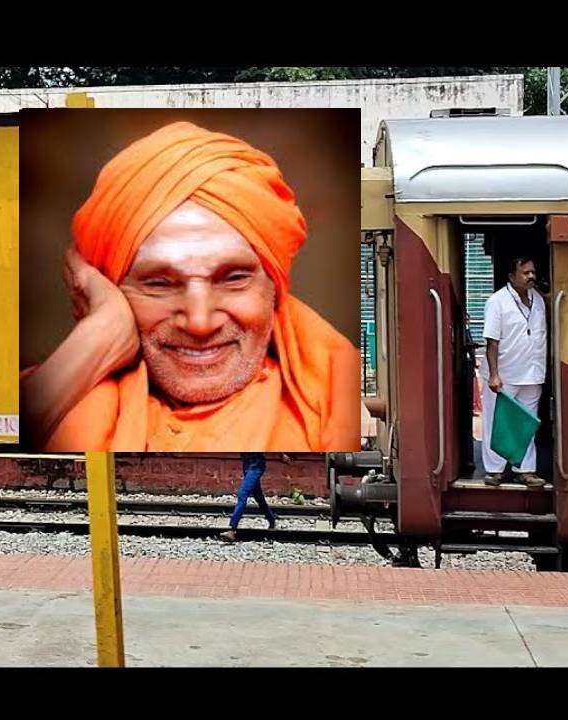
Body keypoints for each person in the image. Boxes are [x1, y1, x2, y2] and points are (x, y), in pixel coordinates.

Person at [21, 121, 360, 451]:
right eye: (158, 283)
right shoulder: (51, 386)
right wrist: (100, 336)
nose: (200, 322)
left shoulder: (351, 397)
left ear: (274, 284)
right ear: (110, 286)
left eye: (234, 278)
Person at [479, 256, 547, 487]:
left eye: (532, 272)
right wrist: (495, 374)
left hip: (532, 372)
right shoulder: (497, 301)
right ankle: (494, 470)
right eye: (525, 273)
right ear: (511, 276)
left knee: (526, 423)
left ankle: (526, 470)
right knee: (496, 421)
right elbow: (492, 341)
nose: (531, 276)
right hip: (504, 374)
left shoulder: (537, 299)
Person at [219, 452, 277, 542]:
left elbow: (269, 441)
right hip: (246, 464)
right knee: (258, 496)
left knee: (243, 493)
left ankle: (232, 529)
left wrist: (281, 455)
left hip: (256, 464)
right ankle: (271, 519)